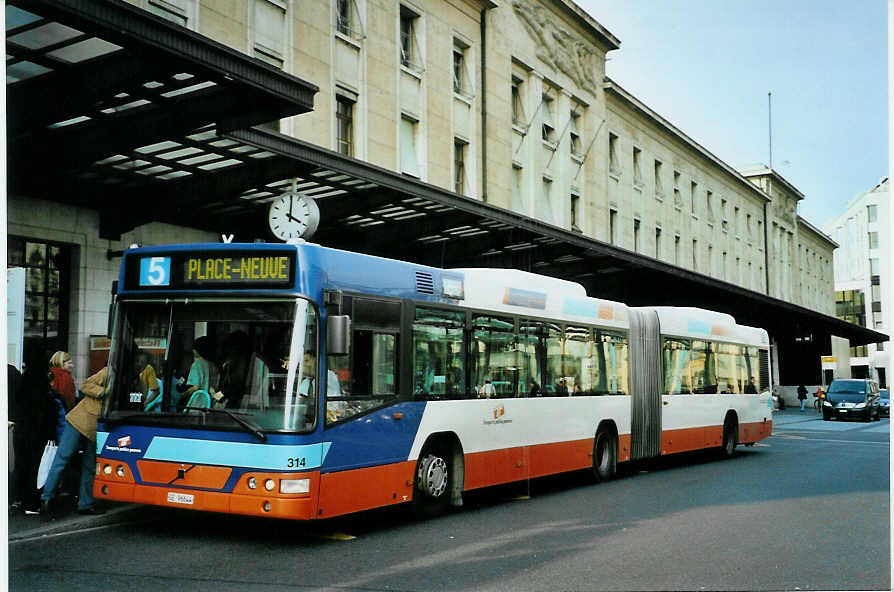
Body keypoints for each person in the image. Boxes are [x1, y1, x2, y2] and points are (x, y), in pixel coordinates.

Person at [40, 367, 108, 519]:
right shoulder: (108, 371)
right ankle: (47, 499)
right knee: (62, 460)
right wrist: (103, 393)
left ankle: (83, 503)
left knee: (86, 465)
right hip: (81, 421)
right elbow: (85, 385)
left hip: (94, 426)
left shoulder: (122, 375)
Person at [176, 336, 217, 411]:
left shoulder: (197, 364)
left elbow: (195, 387)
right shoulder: (213, 365)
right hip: (209, 406)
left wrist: (183, 395)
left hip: (197, 405)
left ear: (197, 350)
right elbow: (214, 389)